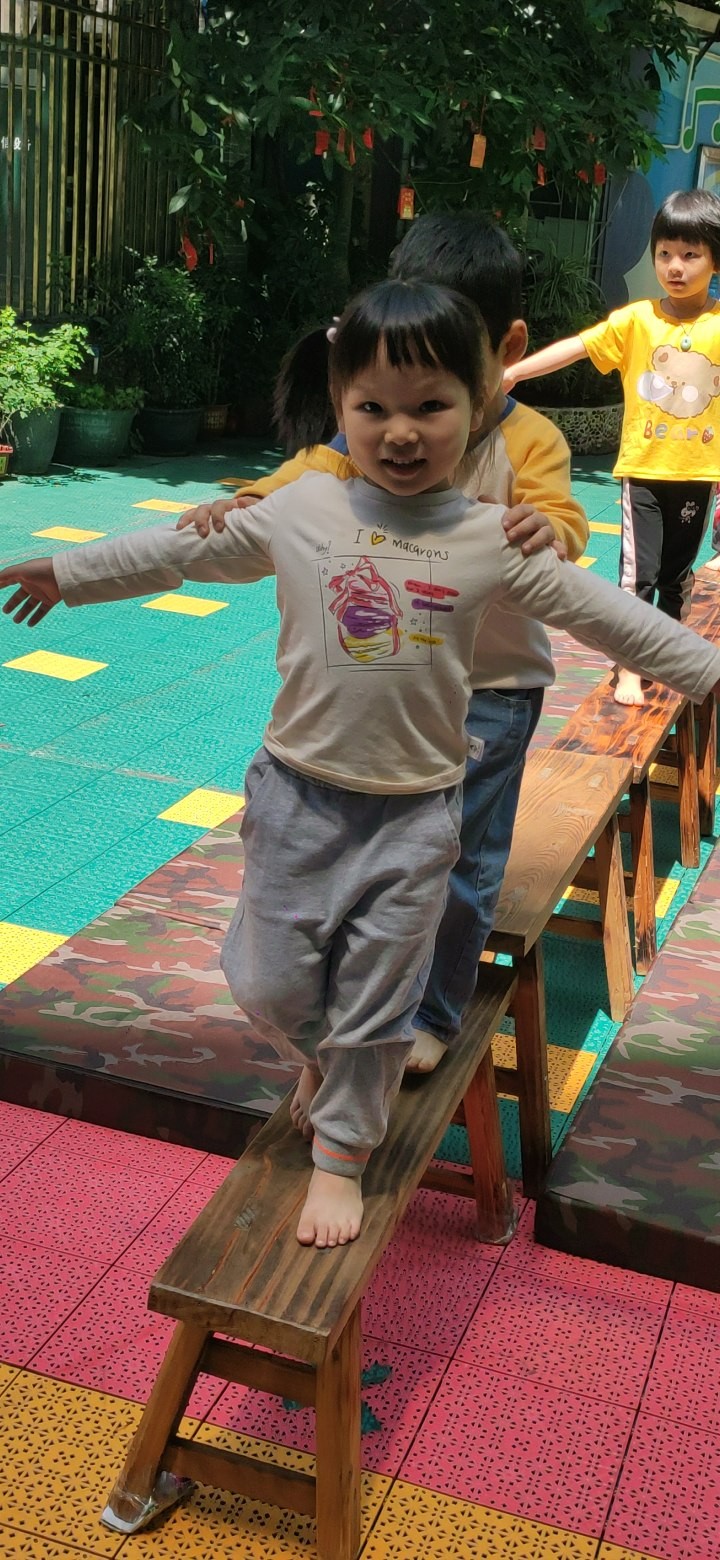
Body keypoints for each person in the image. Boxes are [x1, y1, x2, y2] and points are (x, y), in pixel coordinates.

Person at [4, 279, 720, 1253]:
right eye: (374, 406)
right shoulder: (300, 508)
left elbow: (611, 616)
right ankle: (330, 1061)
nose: (401, 430)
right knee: (267, 983)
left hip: (414, 817)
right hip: (295, 799)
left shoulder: (488, 537)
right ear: (340, 405)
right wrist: (68, 573)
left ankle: (342, 1154)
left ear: (479, 405)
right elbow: (182, 553)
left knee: (382, 995)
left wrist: (709, 674)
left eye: (431, 406)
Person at [175, 214, 591, 1077]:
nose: (406, 424)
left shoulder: (529, 441)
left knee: (462, 858)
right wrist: (246, 502)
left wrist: (546, 528)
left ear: (508, 349)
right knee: (369, 855)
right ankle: (354, 997)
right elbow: (304, 476)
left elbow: (563, 520)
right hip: (393, 686)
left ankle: (430, 1013)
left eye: (442, 379)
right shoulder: (374, 434)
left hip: (492, 690)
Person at [505, 188, 720, 705]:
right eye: (665, 253)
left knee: (676, 579)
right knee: (637, 577)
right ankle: (629, 668)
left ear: (715, 260)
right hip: (643, 471)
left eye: (690, 254)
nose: (675, 266)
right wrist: (513, 373)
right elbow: (577, 347)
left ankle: (669, 656)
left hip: (699, 473)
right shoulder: (637, 320)